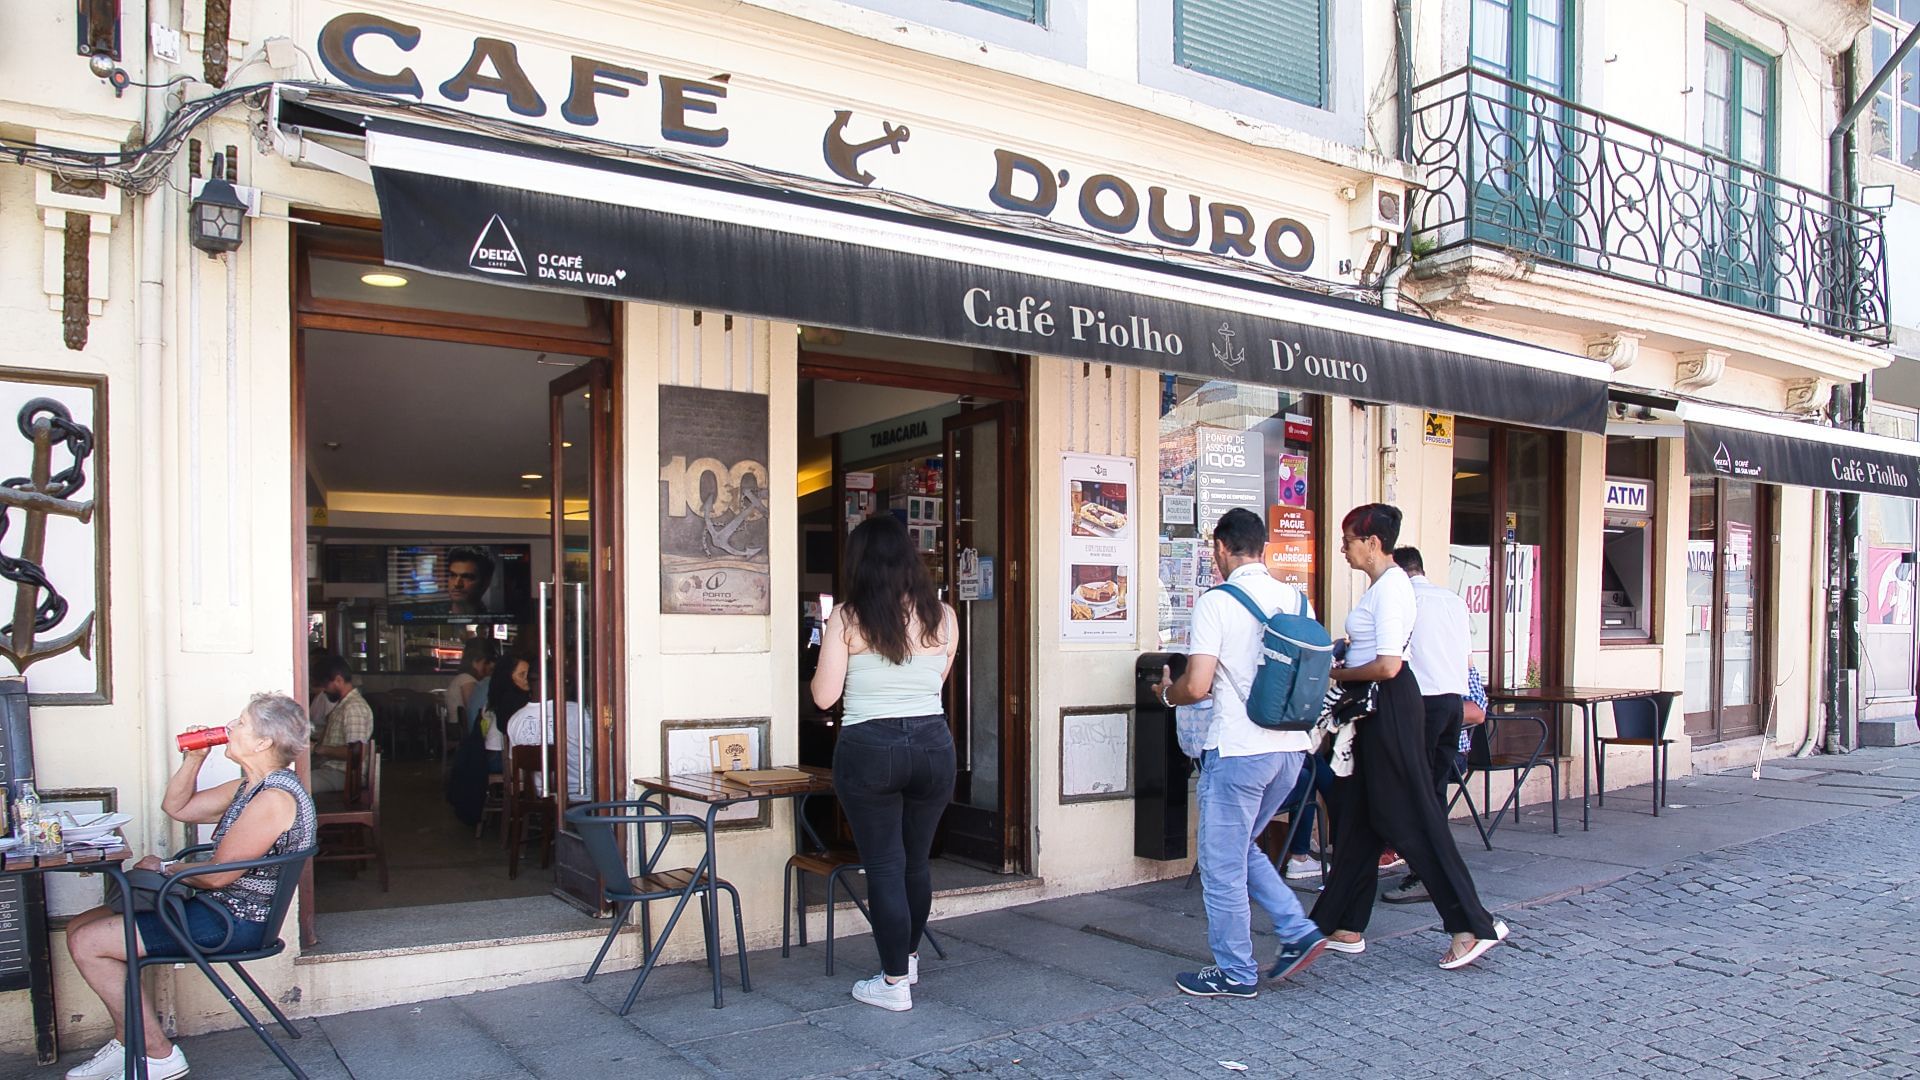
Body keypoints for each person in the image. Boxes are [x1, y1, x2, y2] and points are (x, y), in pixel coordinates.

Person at [61, 694, 317, 1080]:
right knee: (80, 926)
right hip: (215, 907)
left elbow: (217, 876)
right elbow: (177, 807)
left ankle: (157, 1054)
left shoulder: (274, 798)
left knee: (89, 942)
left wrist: (165, 868)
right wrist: (194, 759)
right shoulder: (250, 787)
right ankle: (130, 1039)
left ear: (264, 742)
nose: (230, 727)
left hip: (232, 922)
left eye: (242, 723)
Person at [1311, 504, 1507, 970]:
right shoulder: (1384, 588)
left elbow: (1388, 665)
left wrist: (1335, 672)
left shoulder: (1393, 588)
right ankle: (1339, 925)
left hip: (1390, 705)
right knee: (1358, 817)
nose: (1343, 548)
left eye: (1349, 539)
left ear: (1373, 543)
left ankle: (1470, 925)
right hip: (1380, 707)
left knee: (1412, 818)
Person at [1151, 507, 1327, 997]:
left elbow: (1199, 685)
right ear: (1264, 548)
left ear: (1220, 549)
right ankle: (1297, 930)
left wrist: (1168, 693)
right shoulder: (1297, 600)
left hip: (1239, 751)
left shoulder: (1217, 603)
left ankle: (1235, 971)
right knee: (1242, 847)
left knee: (1221, 863)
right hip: (1291, 751)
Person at [810, 514, 958, 1012]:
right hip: (934, 745)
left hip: (870, 746)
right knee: (916, 862)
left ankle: (893, 983)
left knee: (885, 867)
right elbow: (933, 684)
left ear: (860, 563)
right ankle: (908, 961)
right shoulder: (944, 616)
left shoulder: (849, 618)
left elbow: (825, 697)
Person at [1383, 546, 1473, 906]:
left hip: (1422, 703)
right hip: (1453, 702)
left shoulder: (1404, 601)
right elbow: (1467, 659)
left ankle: (1427, 873)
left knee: (1415, 792)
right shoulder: (1452, 600)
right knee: (1433, 790)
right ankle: (1430, 870)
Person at [505, 668, 586, 798]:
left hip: (537, 797)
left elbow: (516, 772)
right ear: (558, 681)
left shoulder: (515, 720)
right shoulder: (577, 712)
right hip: (580, 795)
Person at [311, 654, 373, 794]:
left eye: (326, 685)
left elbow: (356, 753)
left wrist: (319, 749)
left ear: (338, 680)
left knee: (297, 786)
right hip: (330, 768)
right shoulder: (342, 706)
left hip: (344, 774)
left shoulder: (354, 708)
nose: (324, 690)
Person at [446, 637, 498, 733]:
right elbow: (474, 711)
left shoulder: (463, 677)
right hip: (460, 733)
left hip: (460, 731)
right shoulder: (466, 679)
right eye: (485, 663)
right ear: (475, 662)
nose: (489, 666)